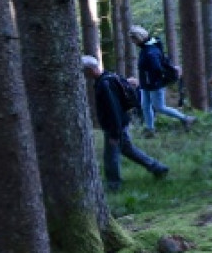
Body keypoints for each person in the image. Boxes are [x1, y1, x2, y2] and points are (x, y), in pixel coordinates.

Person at [81, 55, 169, 192]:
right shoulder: (109, 78)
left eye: (84, 71)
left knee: (110, 156)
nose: (84, 75)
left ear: (91, 69)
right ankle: (157, 168)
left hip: (115, 125)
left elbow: (113, 108)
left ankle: (113, 184)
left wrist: (114, 132)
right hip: (120, 122)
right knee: (127, 150)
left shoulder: (105, 84)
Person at [130, 25, 195, 135]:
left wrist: (153, 81)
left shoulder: (151, 51)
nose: (133, 42)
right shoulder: (146, 47)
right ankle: (150, 129)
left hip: (154, 84)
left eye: (133, 39)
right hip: (146, 84)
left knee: (159, 107)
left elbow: (157, 69)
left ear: (138, 38)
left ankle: (186, 118)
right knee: (145, 106)